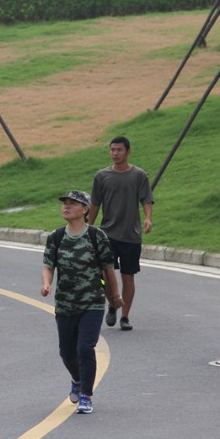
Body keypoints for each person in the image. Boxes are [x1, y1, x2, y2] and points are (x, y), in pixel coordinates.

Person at [41, 190, 121, 414]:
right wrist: (47, 284)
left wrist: (115, 298)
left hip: (92, 303)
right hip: (66, 304)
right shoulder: (56, 237)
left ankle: (86, 395)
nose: (66, 206)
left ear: (85, 210)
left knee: (85, 347)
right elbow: (48, 265)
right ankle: (77, 379)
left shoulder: (97, 236)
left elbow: (108, 269)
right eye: (64, 203)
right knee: (66, 353)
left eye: (72, 203)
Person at [88, 136, 153, 331]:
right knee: (103, 275)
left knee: (128, 276)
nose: (115, 153)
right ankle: (113, 303)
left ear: (128, 152)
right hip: (107, 234)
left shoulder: (139, 175)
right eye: (112, 150)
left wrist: (148, 218)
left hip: (131, 236)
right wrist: (89, 227)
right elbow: (95, 203)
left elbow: (146, 199)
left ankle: (125, 316)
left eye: (119, 150)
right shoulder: (101, 176)